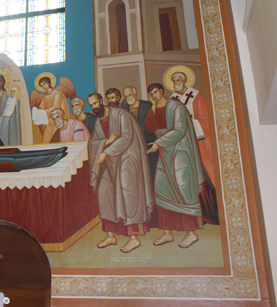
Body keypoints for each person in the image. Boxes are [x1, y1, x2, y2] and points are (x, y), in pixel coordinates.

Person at [87, 93, 154, 253]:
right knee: (104, 192)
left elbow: (127, 138)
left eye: (96, 103)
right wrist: (106, 142)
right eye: (91, 105)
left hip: (128, 157)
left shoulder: (122, 114)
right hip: (109, 161)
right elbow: (93, 142)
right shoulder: (98, 120)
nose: (94, 107)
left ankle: (134, 238)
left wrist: (106, 151)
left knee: (127, 192)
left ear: (101, 101)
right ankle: (111, 236)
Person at [145, 83, 204, 248]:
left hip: (180, 150)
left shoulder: (176, 107)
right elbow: (150, 126)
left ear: (161, 91)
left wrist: (158, 143)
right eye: (150, 94)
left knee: (182, 187)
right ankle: (167, 233)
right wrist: (154, 108)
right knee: (162, 187)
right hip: (165, 151)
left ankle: (191, 233)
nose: (153, 96)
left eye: (155, 92)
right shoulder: (155, 107)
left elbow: (179, 130)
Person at [169, 71, 215, 185]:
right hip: (182, 136)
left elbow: (204, 116)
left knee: (202, 160)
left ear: (184, 81)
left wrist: (192, 123)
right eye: (174, 81)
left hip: (196, 133)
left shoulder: (195, 94)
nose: (176, 83)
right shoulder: (172, 97)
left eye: (178, 80)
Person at [121, 86, 159, 185]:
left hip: (147, 141)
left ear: (135, 94)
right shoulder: (125, 106)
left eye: (130, 95)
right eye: (126, 96)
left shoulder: (147, 105)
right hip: (132, 144)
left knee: (150, 170)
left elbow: (153, 124)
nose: (128, 98)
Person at [36, 76, 73, 144]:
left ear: (49, 83)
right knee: (46, 142)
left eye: (44, 84)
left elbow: (56, 107)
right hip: (49, 123)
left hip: (57, 121)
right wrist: (38, 112)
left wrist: (43, 112)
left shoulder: (57, 94)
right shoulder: (45, 96)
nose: (43, 86)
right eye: (41, 85)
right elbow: (41, 108)